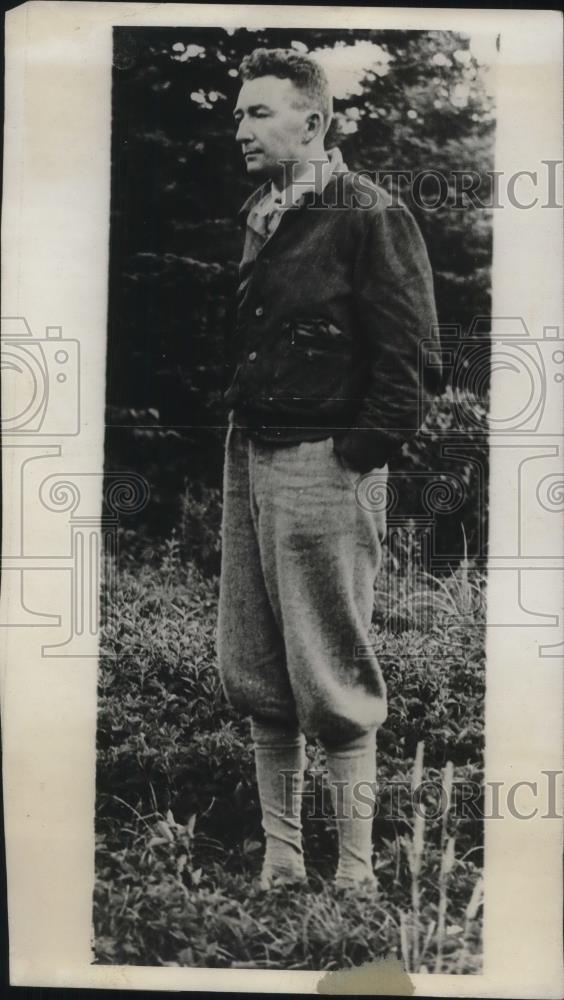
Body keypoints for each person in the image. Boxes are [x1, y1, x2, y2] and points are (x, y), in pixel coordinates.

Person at [216, 47, 441, 891]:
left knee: (332, 664)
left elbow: (411, 360)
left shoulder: (368, 213)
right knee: (259, 660)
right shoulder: (261, 210)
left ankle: (353, 874)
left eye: (259, 112)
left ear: (313, 122)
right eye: (239, 113)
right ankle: (281, 861)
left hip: (325, 459)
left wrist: (355, 458)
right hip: (249, 451)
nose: (242, 127)